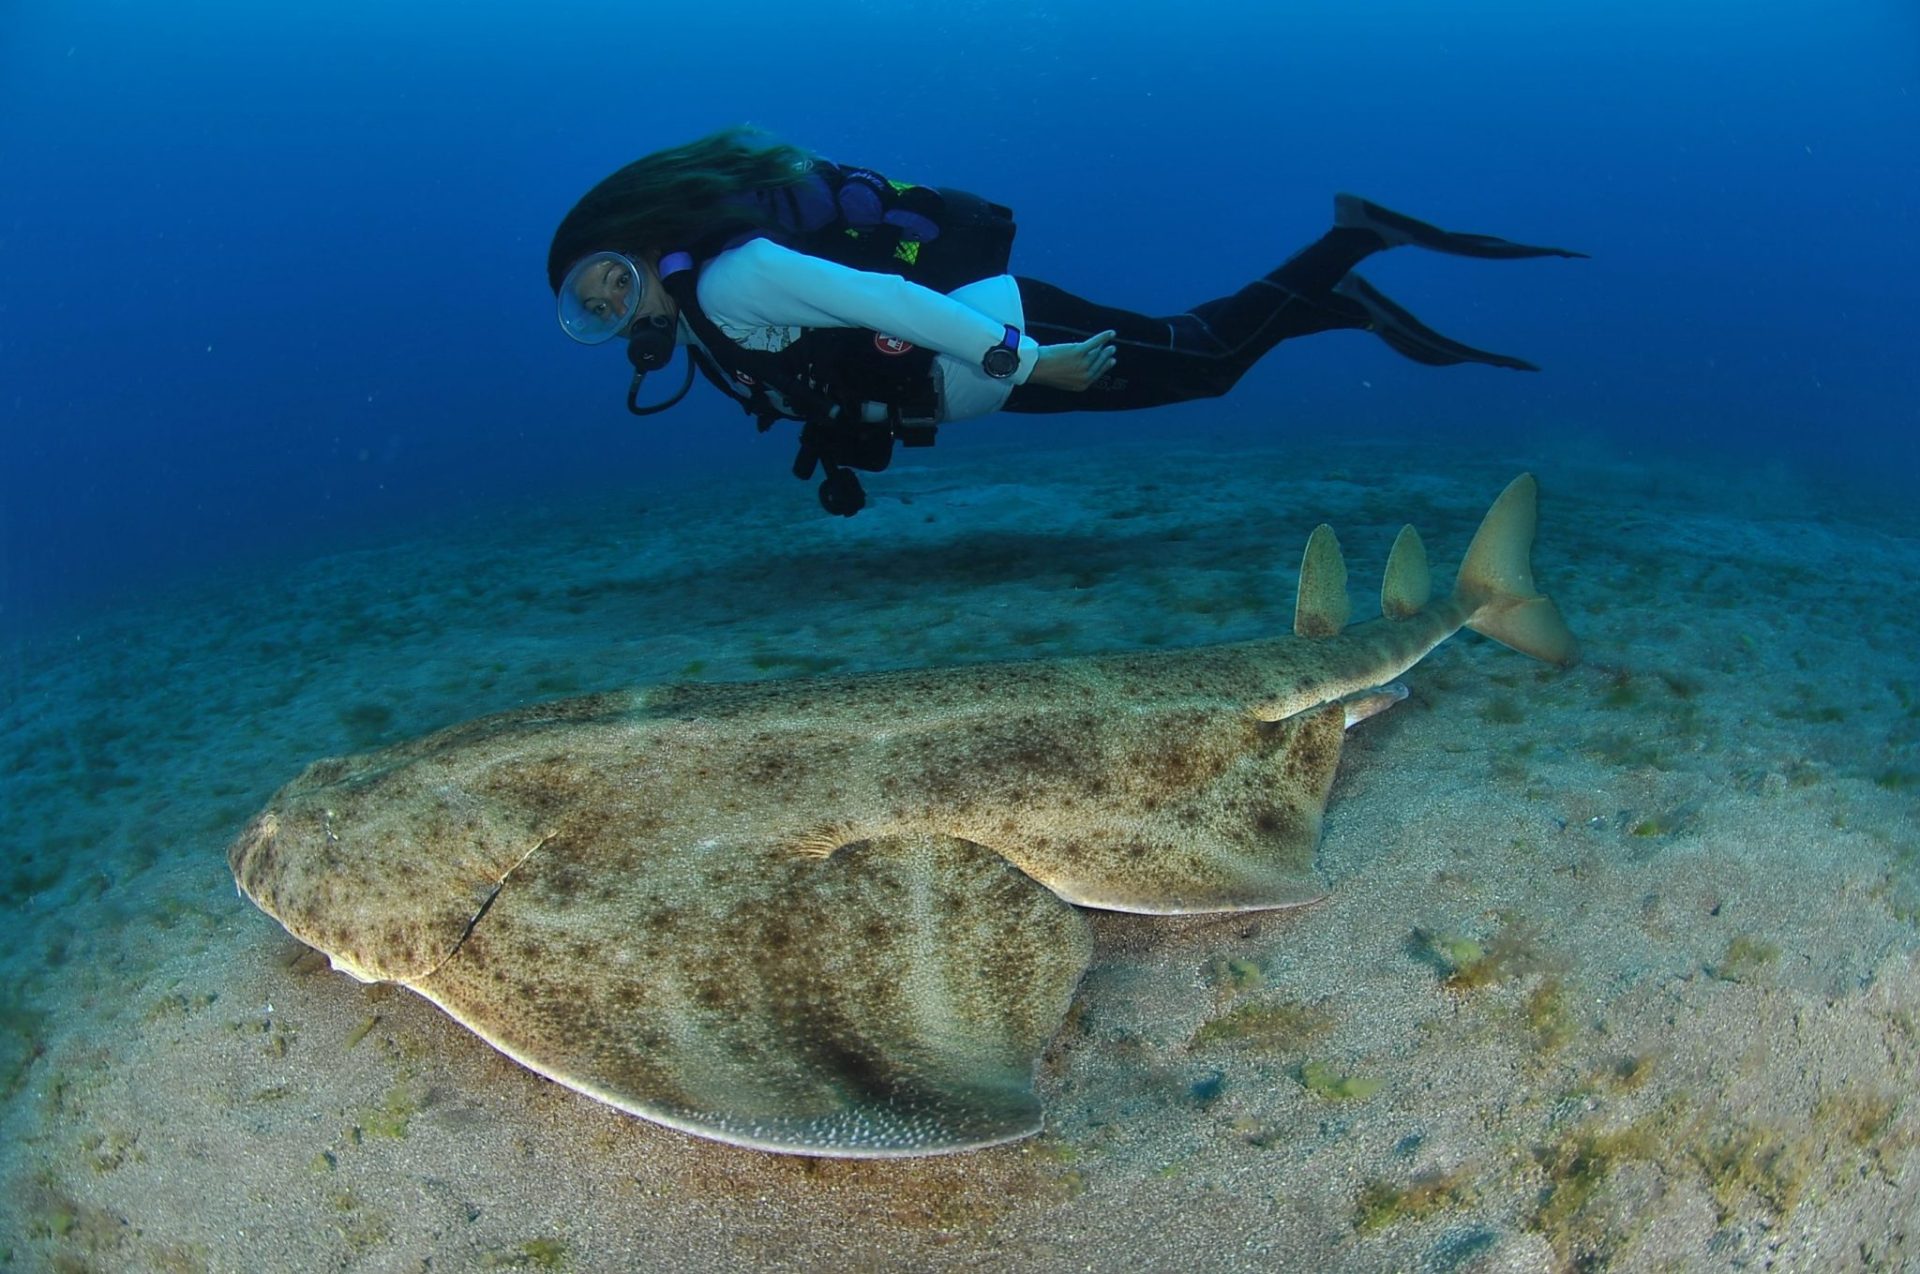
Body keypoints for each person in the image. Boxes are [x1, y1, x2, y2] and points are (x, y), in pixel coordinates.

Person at [548, 128, 1584, 515]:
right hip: (980, 374)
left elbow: (887, 302)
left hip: (995, 343)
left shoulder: (730, 281)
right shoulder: (700, 312)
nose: (609, 304)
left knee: (1211, 358)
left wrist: (1030, 360)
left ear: (636, 237)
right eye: (590, 310)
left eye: (605, 276)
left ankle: (1350, 248)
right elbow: (822, 365)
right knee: (1200, 341)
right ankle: (1343, 285)